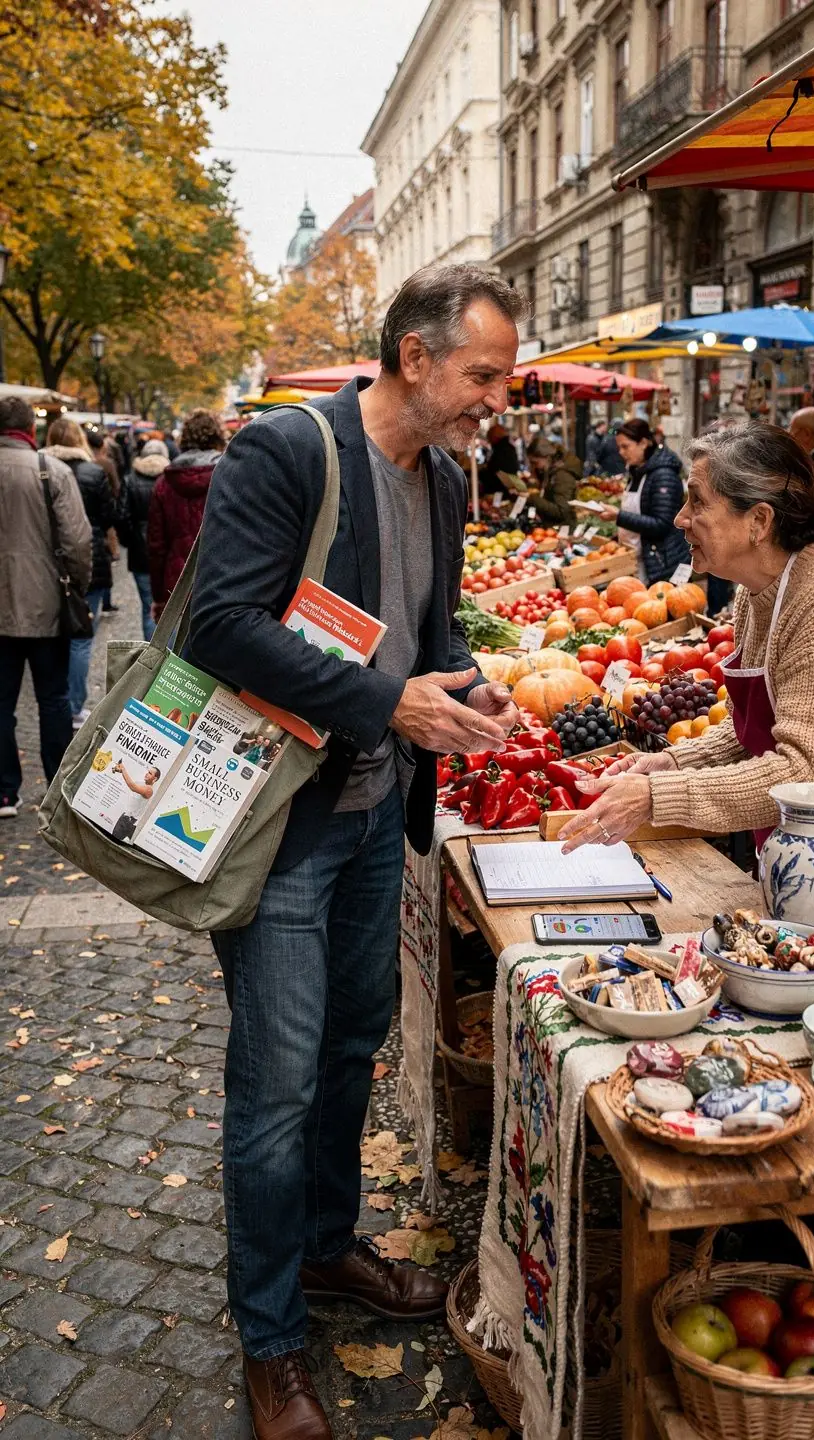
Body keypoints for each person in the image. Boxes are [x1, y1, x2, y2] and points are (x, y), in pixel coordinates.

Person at [188, 263, 524, 1440]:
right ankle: (271, 1340)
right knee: (274, 1088)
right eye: (483, 375)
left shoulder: (445, 480)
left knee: (351, 1045)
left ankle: (327, 1250)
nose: (497, 398)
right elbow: (218, 623)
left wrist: (482, 690)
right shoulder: (289, 451)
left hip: (378, 818)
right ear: (417, 357)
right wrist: (391, 701)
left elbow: (430, 638)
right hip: (280, 830)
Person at [560, 421, 814, 854]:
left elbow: (802, 773)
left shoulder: (809, 604)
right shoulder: (753, 594)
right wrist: (670, 761)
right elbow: (746, 731)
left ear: (759, 520)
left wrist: (654, 796)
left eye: (697, 502)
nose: (680, 518)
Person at [0, 397, 91, 817]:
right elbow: (77, 541)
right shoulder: (50, 471)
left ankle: (4, 790)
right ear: (30, 430)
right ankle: (55, 783)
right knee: (53, 699)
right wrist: (79, 586)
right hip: (46, 606)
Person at [43, 418, 117, 728]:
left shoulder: (39, 470)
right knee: (82, 637)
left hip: (47, 565)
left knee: (53, 635)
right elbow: (108, 516)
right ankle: (73, 705)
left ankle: (59, 701)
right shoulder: (92, 471)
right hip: (91, 561)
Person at [148, 409, 226, 620]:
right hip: (222, 583)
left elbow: (157, 547)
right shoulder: (231, 477)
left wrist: (158, 597)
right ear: (219, 437)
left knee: (177, 652)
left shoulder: (163, 484)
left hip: (176, 586)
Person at [596, 417, 690, 583]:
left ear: (644, 443)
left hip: (661, 564)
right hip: (637, 559)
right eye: (619, 447)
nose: (621, 452)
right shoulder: (636, 472)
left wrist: (618, 516)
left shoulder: (663, 475)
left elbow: (661, 524)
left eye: (626, 446)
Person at [118, 439, 170, 639]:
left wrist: (130, 540)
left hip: (139, 553)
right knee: (171, 608)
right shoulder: (169, 479)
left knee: (148, 607)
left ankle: (151, 660)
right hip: (166, 552)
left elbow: (122, 515)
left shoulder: (131, 479)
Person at [86, 429, 121, 613]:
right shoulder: (105, 464)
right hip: (100, 523)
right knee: (104, 559)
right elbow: (116, 488)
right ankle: (106, 601)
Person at [527, 435, 582, 527]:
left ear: (547, 457)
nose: (534, 466)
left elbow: (561, 511)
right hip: (552, 525)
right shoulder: (551, 470)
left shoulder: (562, 476)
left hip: (562, 529)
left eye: (535, 462)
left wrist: (532, 498)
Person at [109, 760, 161, 841]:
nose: (147, 773)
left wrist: (123, 769)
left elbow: (132, 786)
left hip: (129, 821)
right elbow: (131, 783)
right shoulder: (141, 783)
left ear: (154, 779)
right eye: (148, 771)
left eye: (150, 773)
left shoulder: (149, 790)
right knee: (114, 839)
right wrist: (121, 771)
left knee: (114, 840)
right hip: (125, 817)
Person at [481, 420, 519, 491]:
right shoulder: (507, 447)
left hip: (500, 490)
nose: (489, 441)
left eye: (489, 437)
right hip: (505, 488)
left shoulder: (502, 450)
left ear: (495, 437)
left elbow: (495, 470)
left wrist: (482, 474)